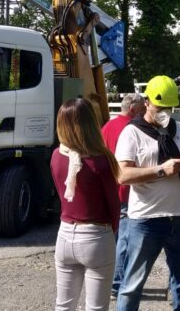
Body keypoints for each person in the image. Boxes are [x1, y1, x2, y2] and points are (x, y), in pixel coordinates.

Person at [115, 75, 180, 311]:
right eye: (160, 107)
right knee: (132, 284)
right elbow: (122, 175)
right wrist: (161, 170)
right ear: (147, 103)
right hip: (146, 220)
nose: (165, 112)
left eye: (169, 107)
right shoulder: (132, 133)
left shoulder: (179, 130)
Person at [50, 98, 121, 311]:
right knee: (97, 308)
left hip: (65, 233)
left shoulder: (56, 156)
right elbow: (114, 205)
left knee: (63, 305)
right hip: (96, 236)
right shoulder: (102, 160)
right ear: (91, 122)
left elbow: (60, 193)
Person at [101, 93, 146, 300]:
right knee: (125, 242)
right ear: (132, 110)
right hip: (127, 192)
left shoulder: (106, 128)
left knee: (112, 239)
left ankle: (110, 280)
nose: (145, 113)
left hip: (109, 190)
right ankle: (117, 284)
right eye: (143, 109)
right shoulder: (133, 129)